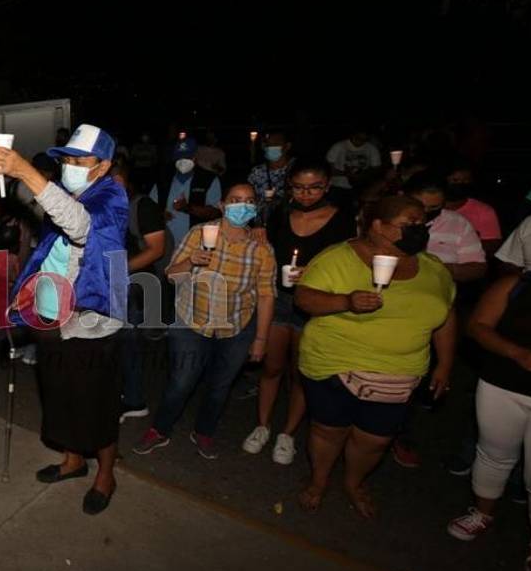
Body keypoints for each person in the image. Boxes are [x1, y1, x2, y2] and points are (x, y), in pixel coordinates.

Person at [0, 125, 128, 515]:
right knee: (61, 395)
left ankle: (106, 473)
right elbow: (53, 245)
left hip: (92, 321)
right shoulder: (73, 191)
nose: (69, 166)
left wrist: (24, 171)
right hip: (53, 315)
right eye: (65, 159)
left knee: (96, 403)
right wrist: (32, 288)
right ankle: (73, 460)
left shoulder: (111, 196)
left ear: (101, 166)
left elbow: (80, 226)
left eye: (78, 160)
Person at [294, 196, 456, 518]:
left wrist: (445, 363)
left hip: (399, 373)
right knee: (328, 430)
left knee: (375, 440)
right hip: (334, 364)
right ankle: (319, 480)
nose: (418, 230)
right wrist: (346, 302)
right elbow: (304, 298)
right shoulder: (339, 259)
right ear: (378, 225)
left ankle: (354, 483)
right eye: (408, 225)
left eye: (421, 224)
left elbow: (446, 316)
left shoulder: (433, 268)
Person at [133, 183, 276, 460]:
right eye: (235, 200)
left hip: (235, 328)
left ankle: (204, 431)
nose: (241, 206)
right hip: (191, 322)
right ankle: (160, 430)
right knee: (181, 382)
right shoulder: (200, 233)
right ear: (223, 205)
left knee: (220, 386)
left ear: (255, 208)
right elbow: (171, 275)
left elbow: (267, 295)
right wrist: (191, 263)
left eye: (248, 201)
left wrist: (261, 339)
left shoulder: (262, 249)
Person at [241, 160, 356, 464]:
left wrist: (314, 274)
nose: (306, 194)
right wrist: (259, 237)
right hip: (280, 300)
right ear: (290, 187)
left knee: (301, 373)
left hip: (316, 304)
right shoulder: (280, 213)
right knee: (271, 366)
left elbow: (349, 267)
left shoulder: (342, 221)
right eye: (299, 187)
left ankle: (288, 433)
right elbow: (266, 250)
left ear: (327, 186)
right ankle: (263, 425)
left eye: (314, 187)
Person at [445, 271, 531, 571]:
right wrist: (519, 353)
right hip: (503, 385)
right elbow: (477, 327)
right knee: (493, 453)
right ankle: (482, 513)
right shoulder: (518, 283)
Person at [115, 167, 167, 420]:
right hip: (112, 284)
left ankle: (134, 399)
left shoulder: (142, 206)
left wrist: (118, 269)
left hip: (134, 283)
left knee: (128, 344)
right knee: (115, 344)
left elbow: (156, 249)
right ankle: (124, 394)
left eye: (117, 182)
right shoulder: (107, 206)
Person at [402, 172, 487, 284]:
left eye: (434, 207)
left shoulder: (458, 223)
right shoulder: (388, 222)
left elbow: (478, 268)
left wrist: (442, 269)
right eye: (420, 206)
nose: (426, 211)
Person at [151, 135, 222, 248]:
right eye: (180, 158)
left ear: (195, 157)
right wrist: (160, 215)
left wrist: (187, 208)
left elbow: (215, 213)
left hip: (196, 243)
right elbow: (150, 209)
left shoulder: (209, 179)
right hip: (166, 244)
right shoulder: (163, 180)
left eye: (187, 157)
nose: (183, 161)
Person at [445, 160, 503, 257]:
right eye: (455, 180)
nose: (461, 184)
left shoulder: (484, 210)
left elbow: (493, 244)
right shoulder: (431, 206)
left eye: (466, 181)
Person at [246, 130, 294, 222]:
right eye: (268, 144)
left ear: (287, 146)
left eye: (276, 143)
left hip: (289, 223)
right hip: (260, 226)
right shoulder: (257, 172)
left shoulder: (297, 169)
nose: (271, 147)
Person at [326, 126, 382, 191]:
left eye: (364, 139)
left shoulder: (372, 148)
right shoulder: (338, 146)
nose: (361, 141)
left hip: (363, 185)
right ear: (352, 135)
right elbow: (327, 169)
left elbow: (376, 169)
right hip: (338, 186)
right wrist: (347, 174)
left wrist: (362, 175)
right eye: (358, 138)